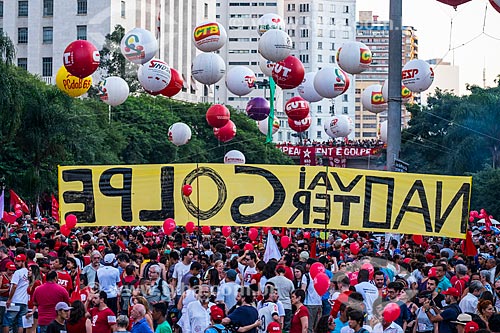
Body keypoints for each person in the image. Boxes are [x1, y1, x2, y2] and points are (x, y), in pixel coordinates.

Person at [3, 253, 29, 333]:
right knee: (20, 324)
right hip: (24, 302)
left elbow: (14, 286)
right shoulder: (29, 272)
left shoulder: (17, 272)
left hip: (15, 301)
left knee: (7, 322)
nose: (16, 263)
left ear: (23, 262)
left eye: (18, 261)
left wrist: (9, 299)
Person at [267, 266, 294, 331]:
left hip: (273, 306)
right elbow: (292, 294)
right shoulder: (289, 282)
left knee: (274, 326)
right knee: (286, 327)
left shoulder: (270, 281)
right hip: (286, 305)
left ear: (276, 272)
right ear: (284, 272)